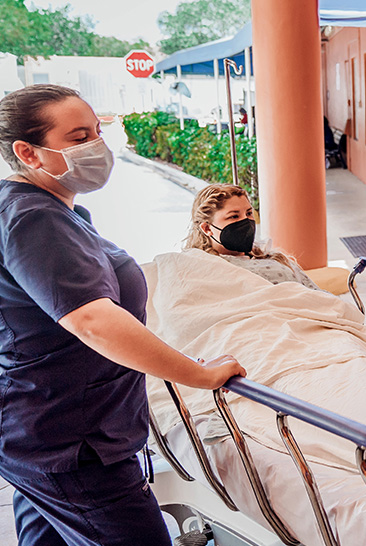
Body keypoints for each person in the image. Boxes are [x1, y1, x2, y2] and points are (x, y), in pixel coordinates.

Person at [0, 84, 247, 546]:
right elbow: (93, 321)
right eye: (78, 137)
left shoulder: (53, 210)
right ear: (27, 152)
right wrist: (200, 375)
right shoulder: (34, 218)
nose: (97, 146)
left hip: (44, 436)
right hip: (72, 446)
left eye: (97, 131)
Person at [184, 183, 319, 290]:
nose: (246, 221)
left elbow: (319, 295)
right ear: (207, 228)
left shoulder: (275, 259)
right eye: (234, 216)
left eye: (249, 213)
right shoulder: (204, 270)